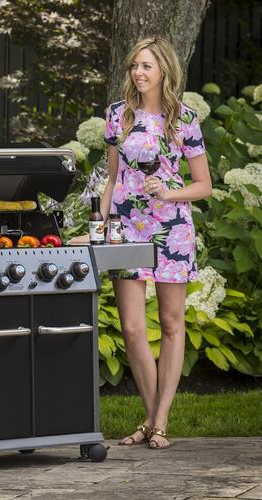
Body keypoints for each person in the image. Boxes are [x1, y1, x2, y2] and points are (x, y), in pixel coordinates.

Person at [70, 36, 212, 449]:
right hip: (128, 227)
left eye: (146, 66)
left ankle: (160, 420)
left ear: (164, 70)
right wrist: (101, 227)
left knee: (171, 323)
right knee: (132, 328)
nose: (137, 72)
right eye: (134, 65)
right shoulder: (119, 115)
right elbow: (112, 178)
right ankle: (151, 419)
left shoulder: (184, 119)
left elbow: (203, 185)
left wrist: (170, 192)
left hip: (172, 230)